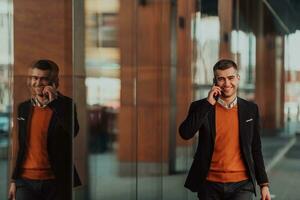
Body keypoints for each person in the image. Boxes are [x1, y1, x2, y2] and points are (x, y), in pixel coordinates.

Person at [179, 59, 271, 200]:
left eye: (231, 78)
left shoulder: (251, 109)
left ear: (238, 78)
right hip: (209, 184)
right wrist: (208, 104)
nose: (227, 84)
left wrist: (264, 184)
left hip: (242, 184)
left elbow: (256, 148)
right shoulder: (201, 107)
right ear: (214, 81)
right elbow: (185, 133)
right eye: (221, 79)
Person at [8, 59, 81, 200]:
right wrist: (14, 180)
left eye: (44, 79)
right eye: (35, 78)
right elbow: (21, 147)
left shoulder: (66, 105)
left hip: (55, 181)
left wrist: (55, 103)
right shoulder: (23, 107)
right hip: (25, 181)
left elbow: (73, 132)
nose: (38, 83)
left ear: (54, 82)